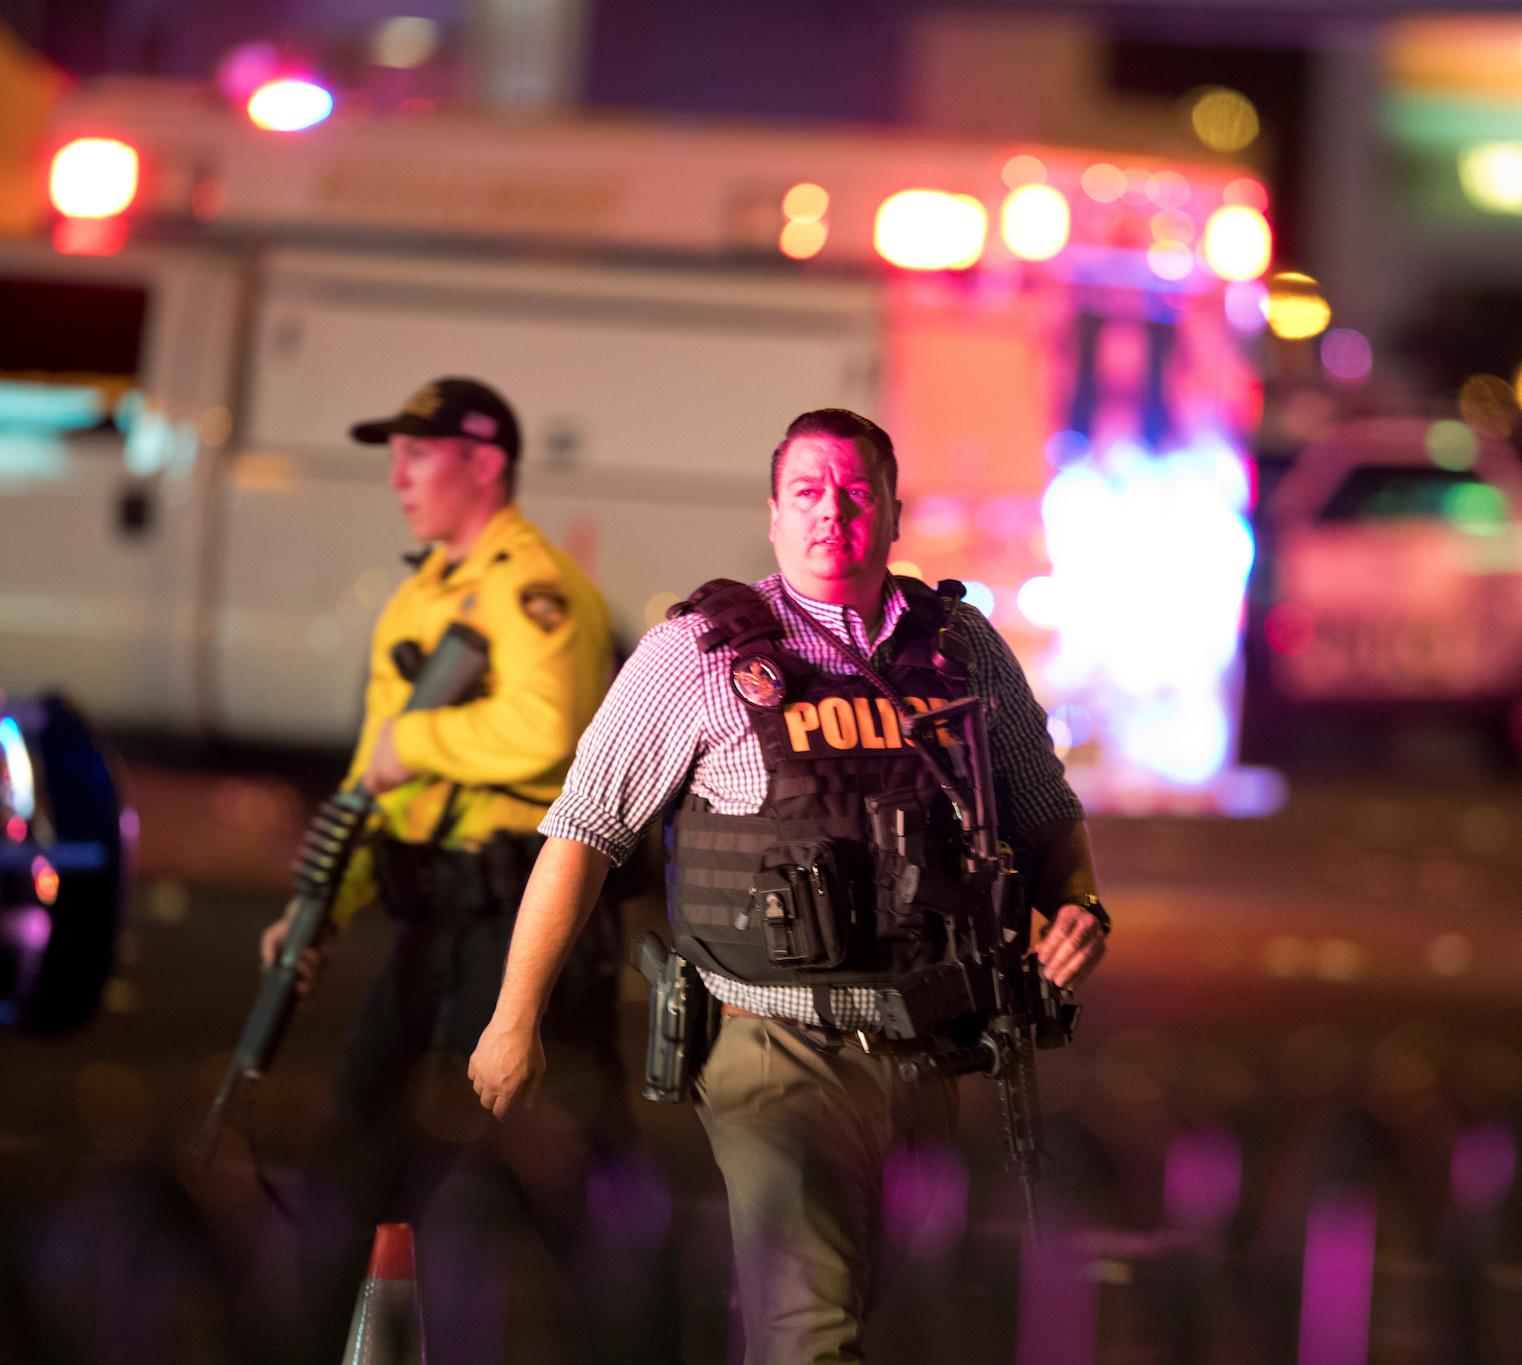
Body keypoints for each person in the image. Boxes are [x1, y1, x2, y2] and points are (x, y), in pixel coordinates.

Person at [468, 407, 1110, 1364]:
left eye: (857, 493)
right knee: (811, 1337)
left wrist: (1080, 910)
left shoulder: (963, 647)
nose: (831, 512)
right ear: (773, 514)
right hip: (775, 1051)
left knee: (906, 1326)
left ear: (895, 514)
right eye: (808, 491)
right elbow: (584, 830)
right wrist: (513, 1018)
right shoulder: (701, 654)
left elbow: (1045, 806)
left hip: (934, 1051)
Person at [257, 376, 650, 1361]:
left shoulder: (537, 587)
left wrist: (418, 739)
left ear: (484, 464)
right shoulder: (418, 598)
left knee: (555, 1180)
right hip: (429, 917)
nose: (397, 477)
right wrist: (321, 907)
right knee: (358, 1152)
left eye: (418, 455)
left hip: (526, 912)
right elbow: (369, 777)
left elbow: (544, 726)